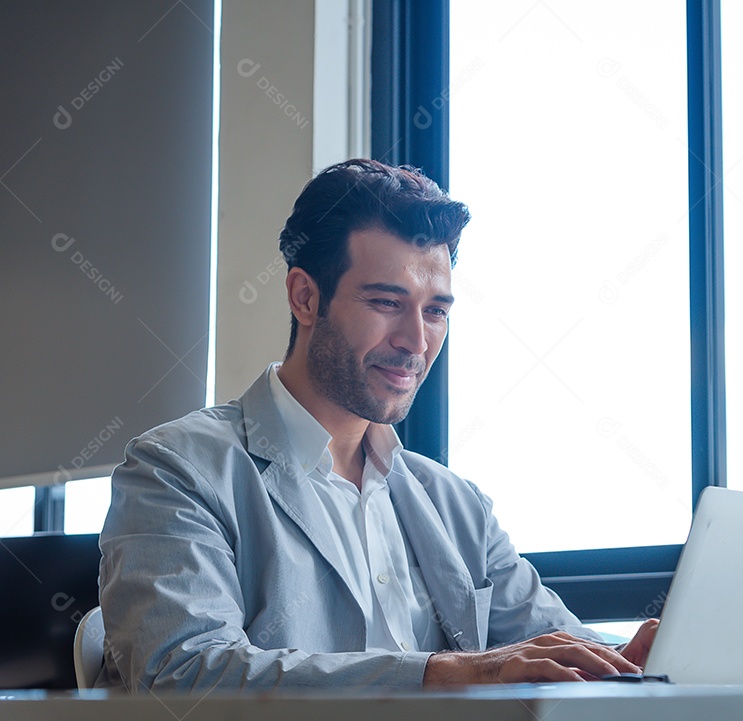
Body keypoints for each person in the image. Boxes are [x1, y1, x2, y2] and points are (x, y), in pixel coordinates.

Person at [96, 159, 658, 692]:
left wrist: (636, 656)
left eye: (436, 311)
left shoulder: (457, 506)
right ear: (305, 297)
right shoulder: (177, 469)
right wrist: (447, 673)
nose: (416, 342)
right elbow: (184, 674)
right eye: (388, 302)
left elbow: (560, 649)